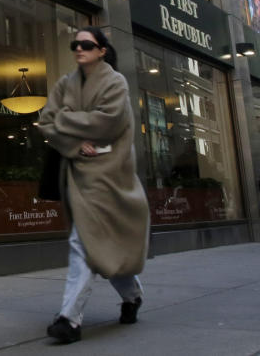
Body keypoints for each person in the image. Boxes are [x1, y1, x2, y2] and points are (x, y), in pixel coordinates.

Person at [37, 27, 149, 345]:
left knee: (85, 243)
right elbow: (46, 121)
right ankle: (132, 295)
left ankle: (69, 319)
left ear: (101, 50)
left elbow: (108, 120)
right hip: (77, 175)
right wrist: (73, 144)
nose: (79, 49)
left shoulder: (115, 82)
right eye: (75, 44)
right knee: (93, 244)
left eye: (86, 44)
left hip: (110, 176)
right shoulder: (64, 84)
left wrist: (66, 119)